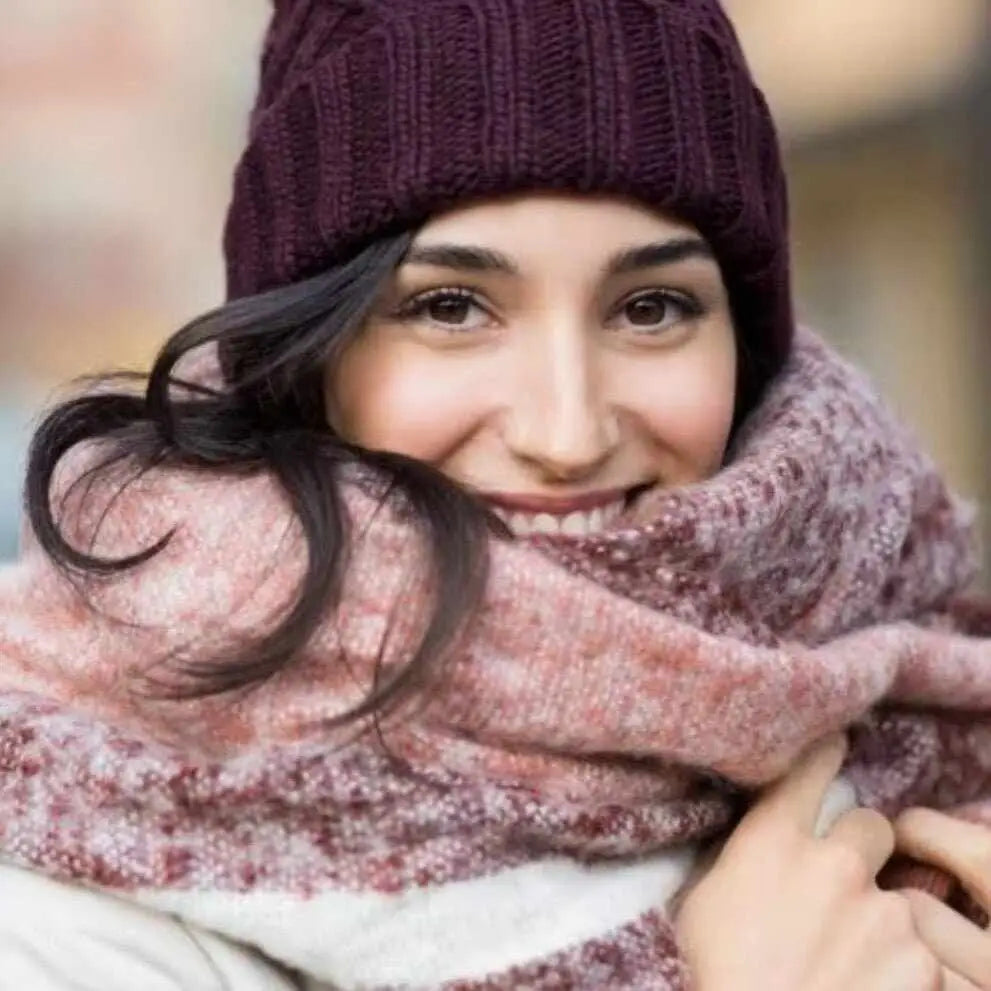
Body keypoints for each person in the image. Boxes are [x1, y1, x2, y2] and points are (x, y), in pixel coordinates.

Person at [0, 0, 988, 988]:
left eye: (651, 307)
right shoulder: (68, 872)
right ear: (309, 354)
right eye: (450, 306)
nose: (567, 431)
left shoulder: (920, 696)